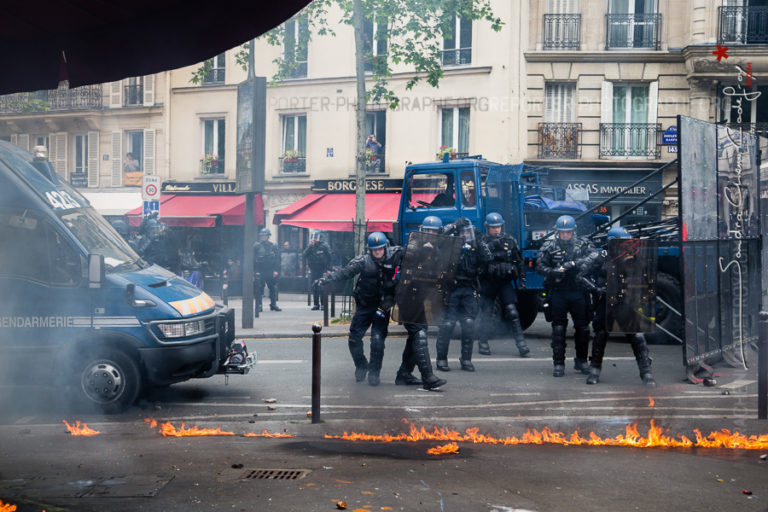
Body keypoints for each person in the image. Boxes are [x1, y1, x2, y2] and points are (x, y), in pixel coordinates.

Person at [314, 232, 401, 386]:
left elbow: (414, 253)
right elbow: (344, 272)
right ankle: (361, 365)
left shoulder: (395, 255)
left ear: (386, 247)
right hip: (365, 304)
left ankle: (374, 371)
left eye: (380, 249)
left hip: (383, 305)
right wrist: (325, 279)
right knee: (354, 338)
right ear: (370, 250)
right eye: (375, 250)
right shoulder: (363, 261)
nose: (378, 252)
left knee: (377, 340)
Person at [584, 227, 656, 387]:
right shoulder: (601, 257)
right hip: (606, 301)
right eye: (622, 242)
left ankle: (646, 372)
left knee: (636, 335)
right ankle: (594, 370)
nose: (625, 245)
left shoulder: (633, 255)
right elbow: (582, 275)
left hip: (626, 300)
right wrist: (596, 288)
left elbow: (645, 276)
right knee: (601, 334)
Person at [536, 215, 599, 377]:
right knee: (558, 328)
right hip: (559, 292)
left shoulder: (583, 244)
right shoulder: (549, 246)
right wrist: (552, 272)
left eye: (568, 232)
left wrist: (576, 264)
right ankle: (559, 363)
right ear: (558, 232)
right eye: (562, 232)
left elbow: (595, 257)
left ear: (573, 232)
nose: (565, 235)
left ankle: (581, 361)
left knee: (583, 328)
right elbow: (540, 266)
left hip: (578, 291)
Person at [394, 216, 448, 390]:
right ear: (422, 231)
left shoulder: (437, 251)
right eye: (428, 231)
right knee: (420, 334)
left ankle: (404, 374)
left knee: (416, 335)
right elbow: (409, 259)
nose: (431, 234)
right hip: (408, 297)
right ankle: (428, 377)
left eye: (434, 231)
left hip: (422, 299)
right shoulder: (415, 245)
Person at [435, 217, 492, 372]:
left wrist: (479, 241)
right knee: (448, 324)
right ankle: (441, 359)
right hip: (451, 289)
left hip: (468, 288)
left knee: (468, 323)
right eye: (462, 233)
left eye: (468, 233)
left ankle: (466, 359)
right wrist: (453, 226)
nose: (465, 235)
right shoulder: (450, 245)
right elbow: (437, 241)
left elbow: (488, 258)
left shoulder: (475, 246)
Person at [477, 212, 530, 358]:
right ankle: (483, 343)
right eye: (493, 227)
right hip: (489, 281)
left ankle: (522, 345)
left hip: (504, 282)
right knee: (486, 312)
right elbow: (478, 261)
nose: (496, 230)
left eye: (498, 226)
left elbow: (519, 260)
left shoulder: (510, 240)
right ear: (488, 227)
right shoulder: (482, 241)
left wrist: (522, 279)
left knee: (512, 312)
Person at [253, 228, 281, 312]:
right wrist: (255, 271)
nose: (263, 237)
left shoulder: (273, 246)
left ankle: (273, 304)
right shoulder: (257, 246)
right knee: (259, 288)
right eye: (262, 236)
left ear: (268, 236)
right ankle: (259, 305)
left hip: (270, 270)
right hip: (260, 270)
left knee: (272, 288)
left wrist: (276, 270)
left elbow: (277, 259)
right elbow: (253, 259)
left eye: (265, 235)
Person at [303, 232, 332, 310]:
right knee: (314, 286)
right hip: (313, 269)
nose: (314, 239)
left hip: (323, 269)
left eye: (316, 238)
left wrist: (329, 269)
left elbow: (330, 257)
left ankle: (323, 304)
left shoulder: (324, 246)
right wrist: (309, 246)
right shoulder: (310, 247)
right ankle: (316, 304)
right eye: (313, 238)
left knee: (322, 286)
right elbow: (304, 254)